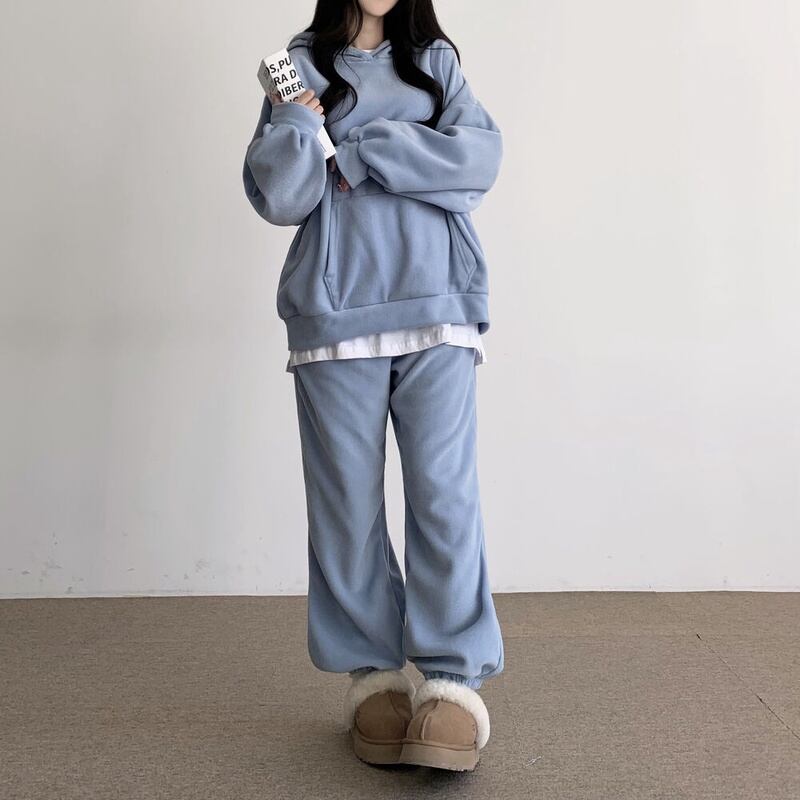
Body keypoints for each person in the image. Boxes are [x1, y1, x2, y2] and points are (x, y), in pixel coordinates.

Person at [242, 0, 504, 772]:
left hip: (439, 304)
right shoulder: (297, 64)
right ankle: (375, 679)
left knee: (444, 496)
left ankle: (452, 683)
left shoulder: (434, 62)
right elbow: (283, 197)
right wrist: (298, 118)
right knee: (346, 507)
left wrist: (361, 149)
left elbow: (478, 161)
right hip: (334, 312)